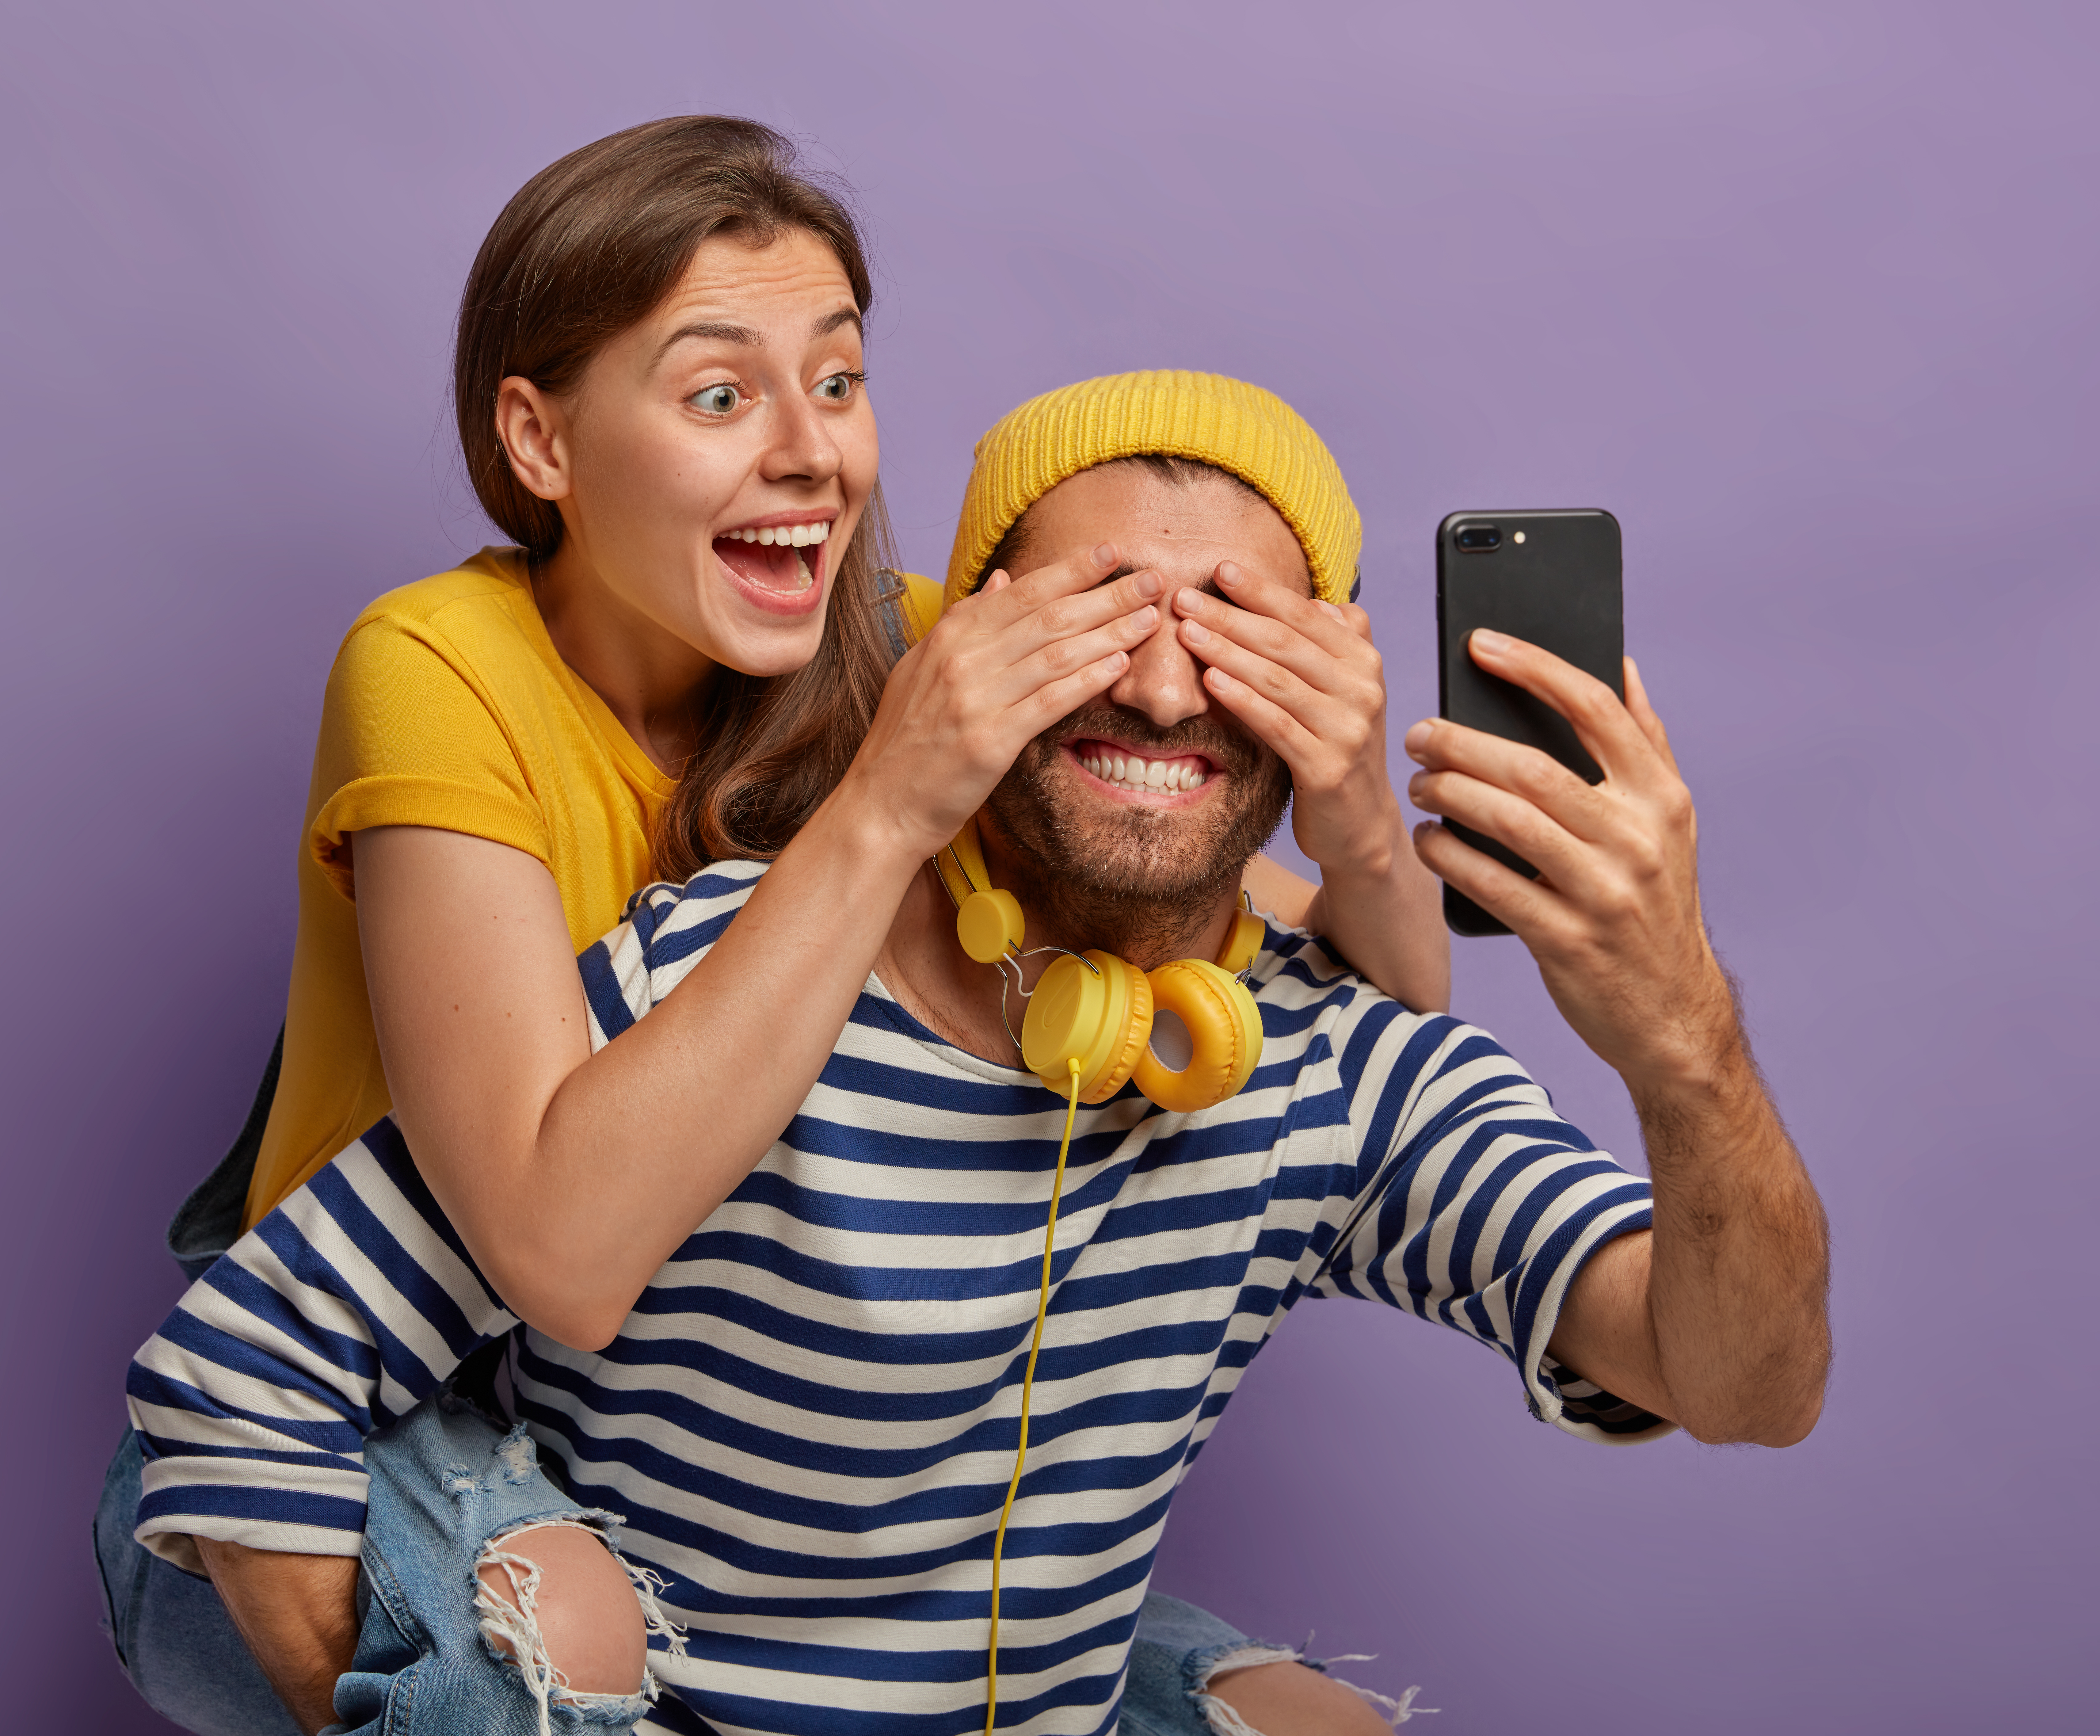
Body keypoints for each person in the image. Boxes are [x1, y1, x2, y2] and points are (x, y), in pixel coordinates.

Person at [101, 372, 1830, 1736]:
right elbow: (248, 1369)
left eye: (1235, 629)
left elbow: (1748, 1386)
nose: (1161, 688)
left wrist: (1684, 1035)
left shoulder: (1328, 1064)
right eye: (1095, 614)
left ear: (1331, 690)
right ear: (963, 645)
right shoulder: (736, 974)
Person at [108, 112, 1447, 1728]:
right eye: (721, 394)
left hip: (676, 1475)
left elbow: (1305, 981)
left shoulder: (901, 648)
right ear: (541, 443)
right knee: (564, 1630)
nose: (809, 453)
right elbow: (566, 1261)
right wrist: (891, 801)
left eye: (838, 380)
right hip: (364, 1395)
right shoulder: (437, 668)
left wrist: (1356, 818)